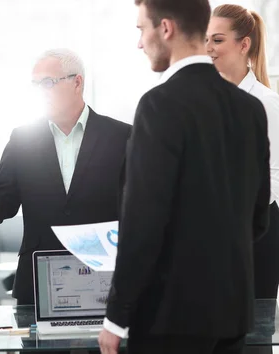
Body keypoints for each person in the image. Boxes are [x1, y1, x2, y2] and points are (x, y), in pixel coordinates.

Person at [98, 0, 270, 353]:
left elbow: (142, 223)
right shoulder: (249, 108)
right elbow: (258, 218)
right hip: (232, 314)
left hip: (170, 319)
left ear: (166, 28)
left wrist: (116, 317)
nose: (139, 42)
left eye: (141, 29)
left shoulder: (159, 105)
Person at [0, 48, 131, 306]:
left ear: (77, 82)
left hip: (103, 278)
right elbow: (4, 193)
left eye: (48, 82)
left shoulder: (121, 136)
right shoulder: (23, 137)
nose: (41, 90)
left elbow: (138, 205)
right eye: (35, 84)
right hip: (38, 277)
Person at [207, 4, 279, 301]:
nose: (208, 48)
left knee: (254, 335)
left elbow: (274, 176)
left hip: (257, 232)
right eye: (206, 39)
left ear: (244, 44)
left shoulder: (266, 103)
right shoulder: (205, 100)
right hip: (212, 231)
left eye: (218, 40)